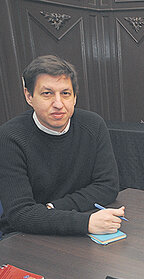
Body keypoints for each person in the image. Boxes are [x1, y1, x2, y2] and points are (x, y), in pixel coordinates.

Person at [0, 55, 124, 237]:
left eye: (65, 93)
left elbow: (108, 186)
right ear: (29, 96)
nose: (58, 104)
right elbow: (20, 214)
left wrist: (53, 208)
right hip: (26, 235)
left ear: (74, 97)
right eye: (47, 93)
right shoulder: (10, 136)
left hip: (72, 222)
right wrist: (85, 223)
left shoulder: (93, 125)